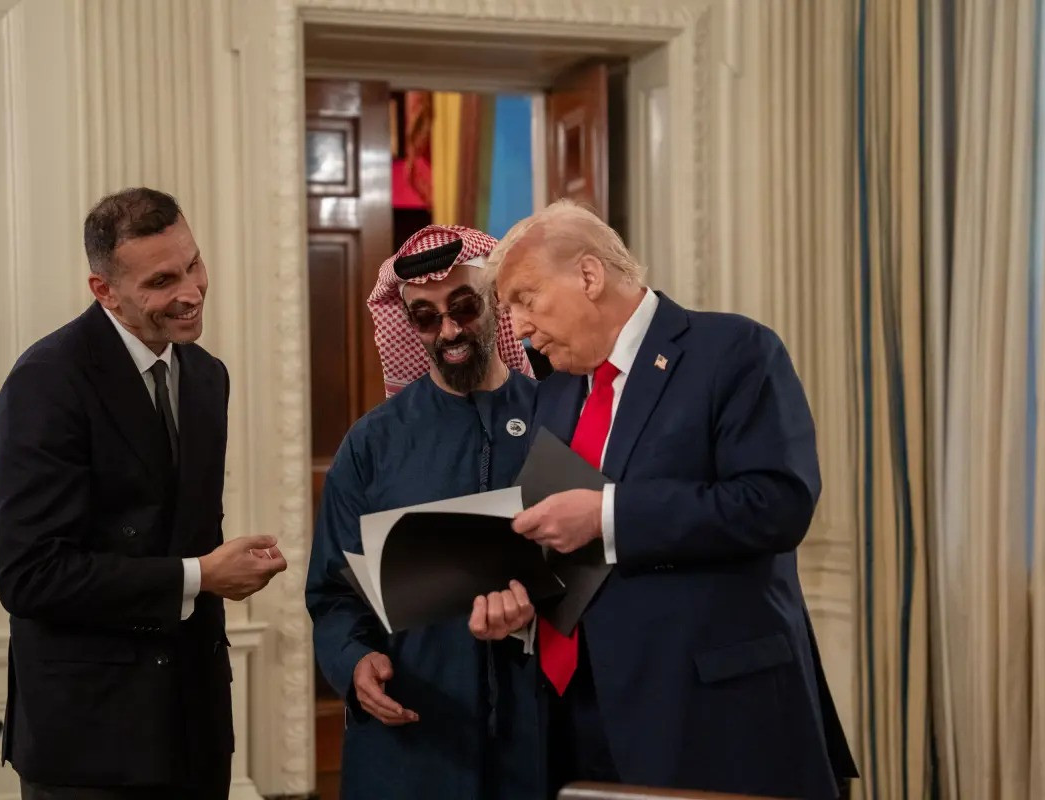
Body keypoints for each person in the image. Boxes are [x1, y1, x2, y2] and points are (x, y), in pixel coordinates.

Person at [472, 200, 858, 800]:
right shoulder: (554, 394)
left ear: (589, 276)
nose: (518, 327)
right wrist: (519, 608)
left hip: (709, 715)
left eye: (526, 299)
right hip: (576, 717)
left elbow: (776, 503)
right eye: (509, 310)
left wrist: (606, 515)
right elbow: (562, 550)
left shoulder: (734, 351)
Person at [0, 188, 288, 799]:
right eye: (162, 281)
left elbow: (177, 532)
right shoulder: (46, 382)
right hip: (91, 738)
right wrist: (202, 575)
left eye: (193, 264)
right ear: (105, 290)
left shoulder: (206, 376)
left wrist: (223, 571)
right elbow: (29, 576)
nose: (192, 291)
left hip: (195, 726)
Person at [305, 225, 544, 800]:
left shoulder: (558, 418)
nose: (450, 332)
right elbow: (333, 592)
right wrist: (354, 662)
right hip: (415, 735)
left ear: (496, 302)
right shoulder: (373, 443)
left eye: (464, 308)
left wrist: (537, 611)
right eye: (426, 318)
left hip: (537, 728)